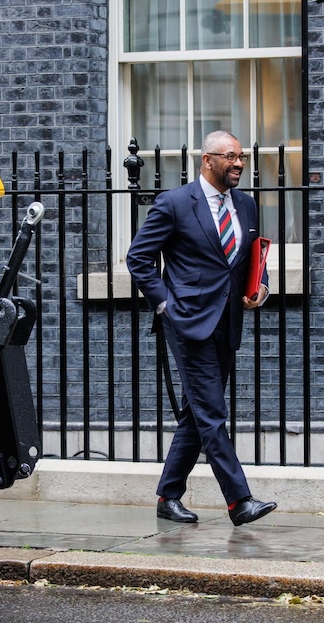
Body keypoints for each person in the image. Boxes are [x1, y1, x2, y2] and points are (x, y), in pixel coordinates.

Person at [126, 130, 277, 526]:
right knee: (212, 411)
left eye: (241, 156)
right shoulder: (174, 203)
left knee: (196, 414)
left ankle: (167, 496)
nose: (239, 163)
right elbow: (139, 258)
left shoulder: (246, 204)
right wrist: (164, 304)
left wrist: (259, 288)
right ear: (206, 160)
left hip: (228, 322)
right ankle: (239, 500)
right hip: (187, 323)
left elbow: (248, 262)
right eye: (230, 156)